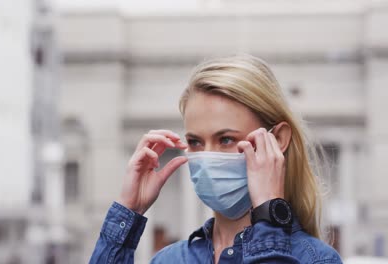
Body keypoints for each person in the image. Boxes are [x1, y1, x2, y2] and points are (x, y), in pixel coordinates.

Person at [89, 54, 342, 263]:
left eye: (226, 140)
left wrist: (269, 213)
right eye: (196, 142)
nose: (208, 158)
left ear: (277, 140)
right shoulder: (170, 260)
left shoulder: (316, 259)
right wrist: (127, 213)